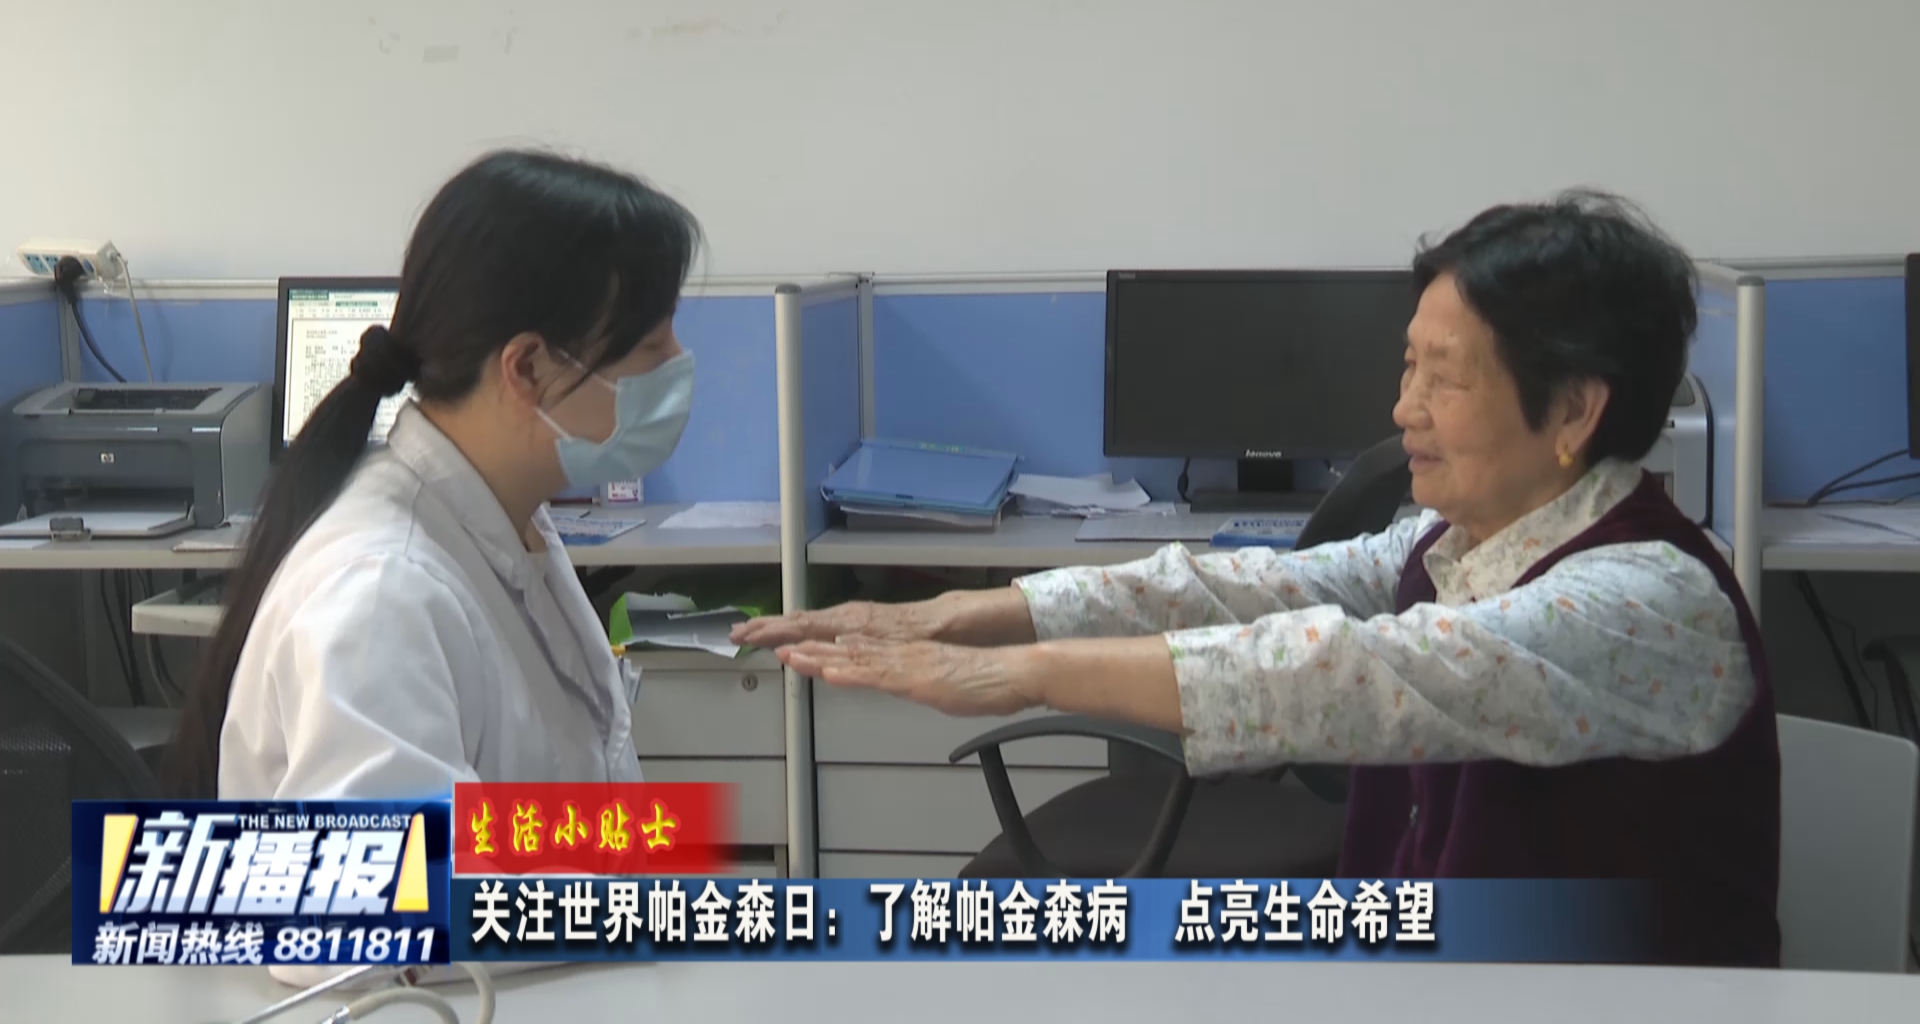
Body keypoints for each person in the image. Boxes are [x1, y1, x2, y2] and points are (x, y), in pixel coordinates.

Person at [735, 190, 1780, 967]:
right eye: (1407, 365)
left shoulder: (1649, 602)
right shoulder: (1452, 543)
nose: (1403, 409)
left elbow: (1349, 671)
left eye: (1445, 377)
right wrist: (976, 612)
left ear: (1576, 411)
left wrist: (1029, 676)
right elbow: (1244, 590)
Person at [165, 149, 703, 803]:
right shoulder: (381, 595)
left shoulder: (505, 517)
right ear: (527, 368)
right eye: (651, 346)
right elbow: (400, 863)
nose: (679, 363)